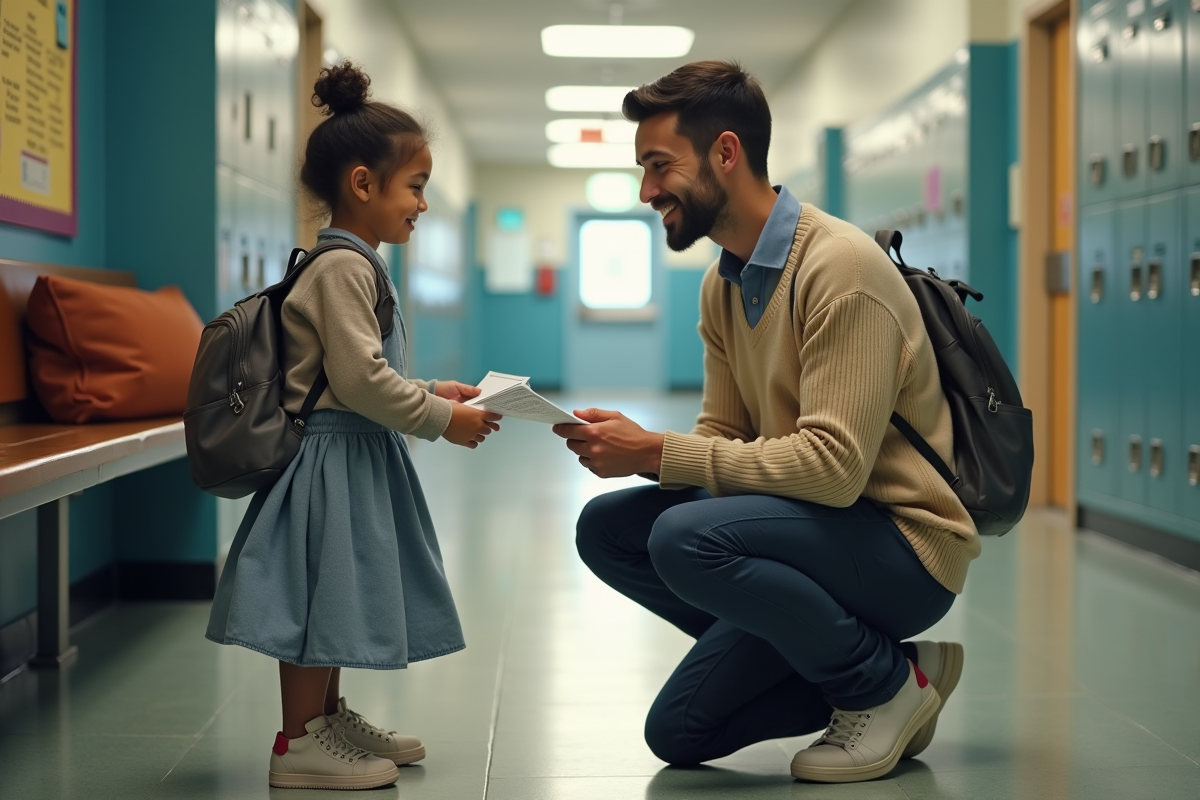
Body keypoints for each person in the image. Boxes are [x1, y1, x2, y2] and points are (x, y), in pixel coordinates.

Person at [553, 60, 978, 784]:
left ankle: (878, 687)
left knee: (685, 536)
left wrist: (659, 451)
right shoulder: (725, 285)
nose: (647, 189)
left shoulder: (838, 268)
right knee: (678, 720)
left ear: (726, 152)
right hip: (814, 532)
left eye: (659, 166)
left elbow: (833, 470)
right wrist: (649, 453)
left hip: (901, 544)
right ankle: (898, 667)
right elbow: (722, 434)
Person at [206, 62, 502, 791]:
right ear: (363, 185)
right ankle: (299, 744)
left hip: (350, 454)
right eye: (416, 187)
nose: (424, 205)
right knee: (315, 598)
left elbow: (352, 371)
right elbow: (359, 380)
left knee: (332, 596)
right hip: (329, 465)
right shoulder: (345, 269)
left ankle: (326, 720)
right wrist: (441, 418)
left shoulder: (356, 264)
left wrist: (434, 389)